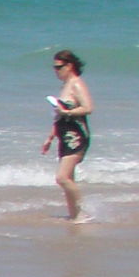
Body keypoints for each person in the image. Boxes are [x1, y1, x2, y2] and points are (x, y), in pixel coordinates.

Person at [41, 49, 94, 221]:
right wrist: (50, 137)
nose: (56, 71)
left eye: (59, 67)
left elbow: (88, 108)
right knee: (69, 178)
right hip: (64, 135)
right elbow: (59, 116)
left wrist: (67, 112)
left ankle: (83, 212)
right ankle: (75, 216)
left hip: (76, 135)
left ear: (69, 66)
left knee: (62, 177)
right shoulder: (65, 86)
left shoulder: (77, 83)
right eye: (54, 68)